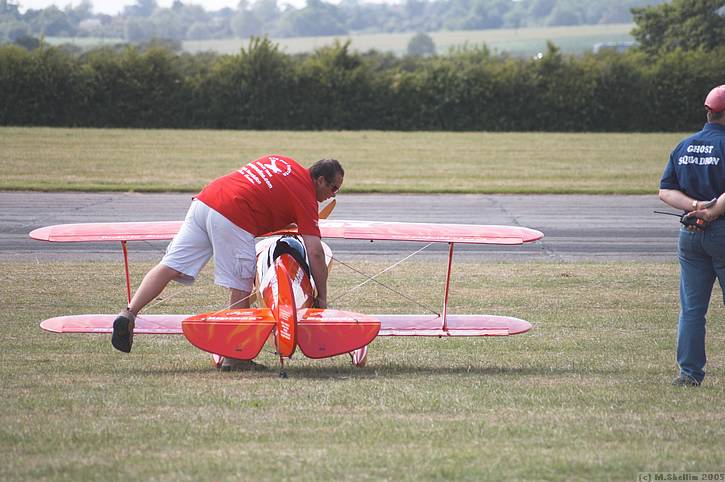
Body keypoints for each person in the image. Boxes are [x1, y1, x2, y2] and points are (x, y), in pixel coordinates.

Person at [111, 155, 344, 369]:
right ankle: (236, 356)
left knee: (170, 265)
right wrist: (321, 296)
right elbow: (314, 252)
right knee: (242, 285)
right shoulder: (305, 195)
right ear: (320, 180)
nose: (332, 195)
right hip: (234, 214)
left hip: (206, 201)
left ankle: (129, 313)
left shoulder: (284, 162)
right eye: (333, 188)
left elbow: (265, 190)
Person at [658, 84, 725, 387]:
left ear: (708, 111)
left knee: (693, 310)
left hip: (689, 232)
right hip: (721, 231)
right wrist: (711, 211)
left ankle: (689, 374)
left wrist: (695, 207)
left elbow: (666, 191)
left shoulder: (684, 145)